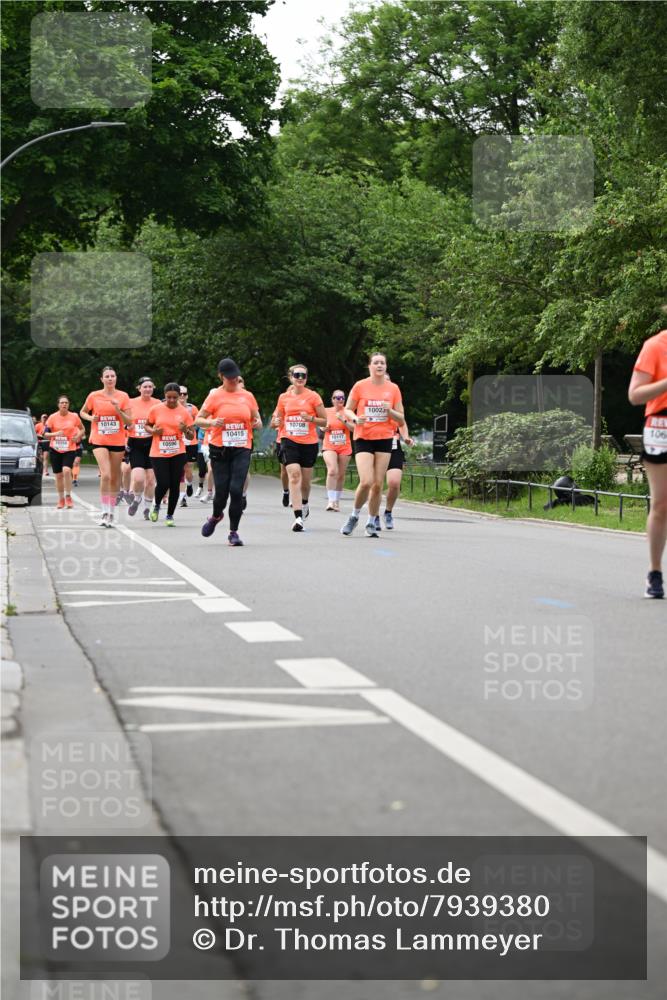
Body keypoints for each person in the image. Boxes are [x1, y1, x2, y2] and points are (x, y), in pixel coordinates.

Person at [196, 358, 261, 546]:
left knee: (236, 489)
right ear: (221, 376)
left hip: (242, 447)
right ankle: (216, 516)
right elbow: (199, 419)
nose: (233, 380)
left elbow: (257, 419)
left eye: (235, 377)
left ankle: (234, 532)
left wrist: (257, 423)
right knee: (221, 493)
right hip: (219, 448)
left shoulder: (247, 396)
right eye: (229, 377)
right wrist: (211, 423)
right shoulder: (215, 396)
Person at [340, 352, 404, 537]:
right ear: (370, 366)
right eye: (376, 363)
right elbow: (347, 409)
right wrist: (355, 418)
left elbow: (400, 418)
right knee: (366, 481)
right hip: (364, 437)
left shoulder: (393, 388)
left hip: (384, 438)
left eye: (382, 363)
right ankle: (354, 516)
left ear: (386, 367)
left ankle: (371, 521)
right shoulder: (360, 386)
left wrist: (389, 410)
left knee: (377, 484)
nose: (379, 366)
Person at [628, 327, 667, 598]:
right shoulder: (655, 345)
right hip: (661, 426)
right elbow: (635, 394)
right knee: (662, 503)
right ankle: (654, 572)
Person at [273, 364, 327, 531]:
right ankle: (298, 518)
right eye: (297, 375)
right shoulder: (283, 397)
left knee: (305, 481)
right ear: (291, 377)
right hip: (288, 439)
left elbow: (324, 421)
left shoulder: (314, 397)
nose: (300, 378)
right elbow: (277, 418)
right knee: (294, 477)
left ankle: (304, 502)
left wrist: (310, 418)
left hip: (309, 442)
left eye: (303, 375)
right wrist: (276, 421)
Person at [80, 367, 132, 527]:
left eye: (112, 376)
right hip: (99, 439)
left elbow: (129, 421)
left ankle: (111, 512)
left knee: (116, 478)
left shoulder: (123, 396)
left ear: (116, 378)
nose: (110, 379)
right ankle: (103, 511)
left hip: (117, 441)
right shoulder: (94, 396)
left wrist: (118, 410)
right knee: (106, 475)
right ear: (102, 379)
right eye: (107, 376)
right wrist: (91, 418)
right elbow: (82, 412)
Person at [144, 382, 195, 526]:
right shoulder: (156, 409)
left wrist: (185, 429)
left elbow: (191, 436)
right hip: (158, 453)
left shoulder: (184, 412)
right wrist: (153, 431)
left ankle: (169, 515)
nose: (172, 400)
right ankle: (157, 505)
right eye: (169, 397)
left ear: (179, 396)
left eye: (175, 398)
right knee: (163, 482)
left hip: (178, 452)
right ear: (164, 396)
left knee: (174, 485)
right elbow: (146, 425)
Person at [42, 396, 85, 508]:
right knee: (58, 476)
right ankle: (61, 499)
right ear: (58, 405)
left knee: (66, 470)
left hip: (69, 448)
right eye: (62, 403)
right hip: (55, 449)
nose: (64, 405)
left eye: (66, 403)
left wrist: (77, 436)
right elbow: (45, 434)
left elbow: (82, 429)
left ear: (68, 404)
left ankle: (68, 497)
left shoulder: (74, 416)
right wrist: (55, 434)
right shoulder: (52, 417)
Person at [125, 377, 157, 519]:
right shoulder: (130, 403)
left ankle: (147, 509)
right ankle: (137, 499)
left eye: (150, 386)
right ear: (139, 388)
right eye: (145, 387)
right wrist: (125, 435)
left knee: (151, 480)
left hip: (152, 444)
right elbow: (124, 422)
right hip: (136, 443)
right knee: (138, 479)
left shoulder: (158, 404)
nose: (148, 389)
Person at [379, 418, 415, 530]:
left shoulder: (393, 407)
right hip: (375, 448)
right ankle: (374, 516)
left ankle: (388, 512)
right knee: (376, 485)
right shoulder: (368, 403)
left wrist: (406, 438)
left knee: (394, 483)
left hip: (393, 449)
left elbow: (402, 422)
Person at [322, 389, 354, 511]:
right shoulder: (326, 411)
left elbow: (353, 429)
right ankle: (330, 501)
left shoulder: (348, 412)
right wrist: (323, 428)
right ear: (332, 399)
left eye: (342, 397)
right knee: (332, 471)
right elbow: (320, 423)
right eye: (337, 397)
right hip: (329, 445)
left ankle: (336, 501)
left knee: (340, 475)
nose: (340, 400)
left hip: (344, 446)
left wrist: (343, 420)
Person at [178, 386, 200, 507]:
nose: (182, 396)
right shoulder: (171, 408)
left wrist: (188, 429)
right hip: (177, 442)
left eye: (184, 394)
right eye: (180, 393)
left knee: (188, 470)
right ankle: (183, 497)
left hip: (190, 442)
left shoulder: (192, 409)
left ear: (187, 396)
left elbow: (197, 423)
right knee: (180, 470)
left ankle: (189, 484)